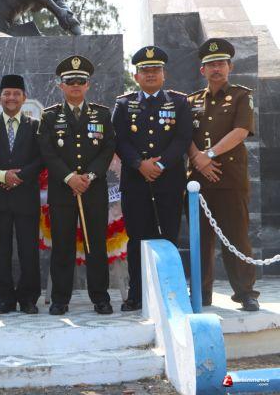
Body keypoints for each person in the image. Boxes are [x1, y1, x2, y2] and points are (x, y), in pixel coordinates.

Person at [112, 46, 192, 311]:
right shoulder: (124, 104)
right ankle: (137, 293)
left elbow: (183, 138)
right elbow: (119, 140)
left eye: (155, 69)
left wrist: (160, 163)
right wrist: (139, 164)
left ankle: (171, 291)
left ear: (163, 74)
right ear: (136, 76)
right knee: (137, 238)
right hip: (136, 182)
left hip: (169, 181)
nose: (150, 74)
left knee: (169, 236)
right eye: (145, 70)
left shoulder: (179, 103)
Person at [37, 55, 115, 315]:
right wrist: (69, 177)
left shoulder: (101, 114)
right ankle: (60, 299)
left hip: (94, 190)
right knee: (62, 246)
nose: (75, 86)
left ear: (88, 85)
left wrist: (89, 177)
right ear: (61, 85)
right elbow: (47, 151)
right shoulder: (50, 116)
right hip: (63, 191)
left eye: (80, 81)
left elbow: (108, 149)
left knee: (96, 245)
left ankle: (100, 297)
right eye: (70, 81)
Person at [187, 38, 259, 311]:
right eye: (211, 65)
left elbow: (240, 132)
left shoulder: (241, 96)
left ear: (230, 67)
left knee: (236, 237)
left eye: (221, 64)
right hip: (197, 182)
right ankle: (201, 293)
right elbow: (184, 135)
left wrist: (209, 155)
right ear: (202, 70)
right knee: (200, 240)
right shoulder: (191, 101)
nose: (216, 69)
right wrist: (198, 159)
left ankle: (245, 292)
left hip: (230, 179)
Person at [0, 75, 42, 314]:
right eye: (6, 93)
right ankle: (5, 299)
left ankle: (28, 298)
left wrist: (19, 177)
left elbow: (42, 158)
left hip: (26, 198)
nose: (11, 98)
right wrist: (2, 175)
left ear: (24, 98)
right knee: (0, 252)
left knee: (29, 250)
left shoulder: (35, 126)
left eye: (16, 94)